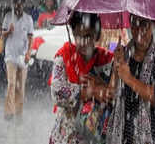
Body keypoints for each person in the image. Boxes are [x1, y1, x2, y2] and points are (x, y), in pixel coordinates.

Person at [106, 14, 155, 144]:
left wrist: (129, 79)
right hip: (124, 135)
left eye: (144, 24)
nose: (139, 31)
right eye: (134, 25)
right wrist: (116, 67)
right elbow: (110, 95)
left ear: (153, 25)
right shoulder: (123, 54)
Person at [48, 12, 116, 144]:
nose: (83, 42)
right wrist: (87, 92)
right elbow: (56, 91)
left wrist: (101, 87)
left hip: (94, 135)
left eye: (88, 36)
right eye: (78, 36)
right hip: (66, 135)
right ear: (72, 34)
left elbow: (114, 94)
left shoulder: (106, 60)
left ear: (96, 35)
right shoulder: (64, 56)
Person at [2, 0, 34, 121]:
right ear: (14, 3)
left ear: (23, 4)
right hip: (10, 55)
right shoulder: (8, 16)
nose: (18, 5)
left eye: (20, 3)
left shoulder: (29, 19)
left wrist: (28, 53)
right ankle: (9, 112)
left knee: (21, 87)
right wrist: (8, 31)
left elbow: (31, 38)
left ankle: (19, 112)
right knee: (11, 84)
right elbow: (1, 35)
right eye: (16, 3)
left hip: (23, 57)